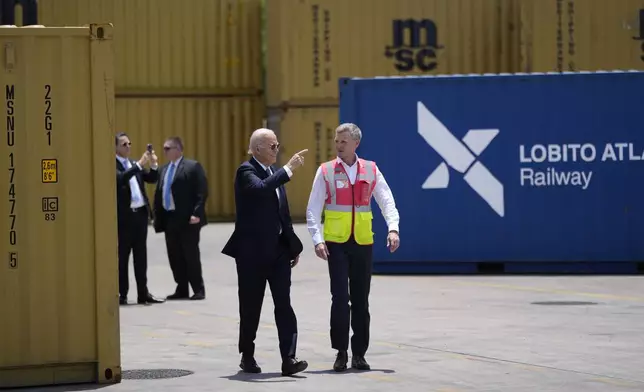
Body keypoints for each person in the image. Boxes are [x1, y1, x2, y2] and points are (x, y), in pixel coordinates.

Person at [305, 123, 400, 372]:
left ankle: (359, 354)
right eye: (336, 141)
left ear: (356, 143)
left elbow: (386, 199)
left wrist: (393, 228)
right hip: (335, 244)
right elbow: (313, 208)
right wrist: (317, 239)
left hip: (362, 242)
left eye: (343, 141)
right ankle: (340, 352)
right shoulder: (325, 171)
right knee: (339, 299)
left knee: (361, 301)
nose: (338, 145)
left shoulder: (371, 169)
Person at [222, 128, 309, 376]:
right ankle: (247, 355)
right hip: (251, 254)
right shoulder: (246, 172)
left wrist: (292, 246)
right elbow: (260, 189)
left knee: (284, 305)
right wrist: (288, 169)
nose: (277, 150)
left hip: (278, 253)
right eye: (273, 146)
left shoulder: (274, 173)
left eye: (278, 145)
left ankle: (289, 359)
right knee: (250, 307)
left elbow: (283, 213)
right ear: (257, 148)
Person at [153, 136, 208, 301]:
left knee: (190, 255)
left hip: (188, 219)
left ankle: (198, 289)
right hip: (170, 218)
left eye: (167, 148)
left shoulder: (192, 167)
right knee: (174, 255)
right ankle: (181, 288)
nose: (165, 152)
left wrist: (197, 213)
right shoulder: (164, 169)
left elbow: (201, 192)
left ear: (178, 149)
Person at [115, 132, 165, 305]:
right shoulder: (115, 165)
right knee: (123, 257)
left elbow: (151, 178)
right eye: (124, 144)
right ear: (115, 147)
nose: (128, 147)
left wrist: (153, 164)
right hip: (125, 218)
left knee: (141, 257)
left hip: (140, 216)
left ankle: (143, 293)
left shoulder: (132, 164)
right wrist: (138, 165)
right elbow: (120, 179)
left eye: (129, 143)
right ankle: (122, 294)